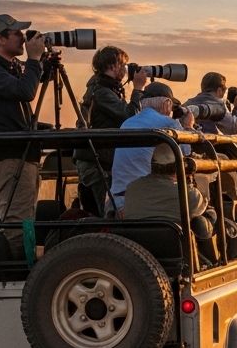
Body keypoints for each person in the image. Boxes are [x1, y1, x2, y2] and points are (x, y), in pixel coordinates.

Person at [0, 13, 47, 223]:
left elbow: (25, 89)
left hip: (21, 154)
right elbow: (25, 91)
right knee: (17, 222)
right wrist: (33, 60)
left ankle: (24, 256)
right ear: (0, 39)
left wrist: (40, 64)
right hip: (9, 155)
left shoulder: (10, 67)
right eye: (17, 33)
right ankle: (16, 257)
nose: (23, 38)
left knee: (26, 221)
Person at [73, 46, 149, 215]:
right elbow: (130, 118)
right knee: (110, 214)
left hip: (99, 161)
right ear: (113, 66)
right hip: (97, 164)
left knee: (107, 212)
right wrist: (138, 89)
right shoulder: (102, 92)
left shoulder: (104, 88)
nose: (125, 68)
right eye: (123, 64)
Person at [123, 143, 217, 264]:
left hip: (137, 254)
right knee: (208, 216)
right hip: (174, 255)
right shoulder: (187, 193)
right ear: (178, 167)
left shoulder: (132, 188)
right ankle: (213, 262)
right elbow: (202, 204)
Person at [109, 82, 194, 214]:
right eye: (171, 106)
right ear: (166, 103)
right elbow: (186, 153)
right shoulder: (169, 123)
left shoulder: (127, 123)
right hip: (142, 200)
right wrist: (188, 127)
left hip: (115, 200)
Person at [185, 72, 237, 136]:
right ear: (219, 91)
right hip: (206, 144)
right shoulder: (216, 107)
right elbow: (236, 128)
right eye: (224, 90)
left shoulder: (188, 103)